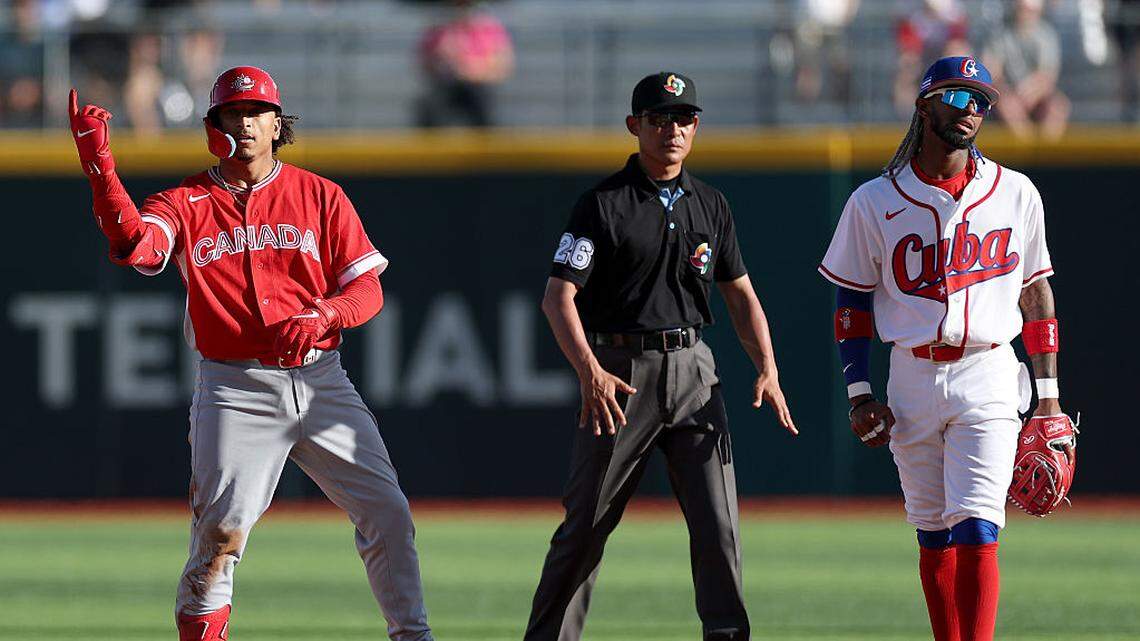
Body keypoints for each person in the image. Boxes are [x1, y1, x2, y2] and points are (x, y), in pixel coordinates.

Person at [68, 66, 433, 641]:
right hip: (235, 389)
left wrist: (326, 313)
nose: (245, 123)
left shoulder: (319, 194)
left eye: (256, 112)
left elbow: (367, 288)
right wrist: (102, 171)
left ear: (277, 124)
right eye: (231, 113)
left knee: (388, 513)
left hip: (322, 381)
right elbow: (139, 247)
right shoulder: (186, 200)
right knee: (219, 536)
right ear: (213, 126)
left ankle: (413, 636)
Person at [525, 71, 797, 641]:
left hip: (696, 370)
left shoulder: (711, 203)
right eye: (659, 118)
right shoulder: (604, 203)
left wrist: (767, 366)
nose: (673, 129)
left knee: (719, 525)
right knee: (588, 527)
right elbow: (558, 297)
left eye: (684, 118)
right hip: (623, 373)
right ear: (635, 126)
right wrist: (590, 372)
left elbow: (740, 293)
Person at [818, 56, 1071, 641]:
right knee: (932, 534)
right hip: (909, 374)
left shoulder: (1016, 192)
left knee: (978, 527)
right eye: (957, 97)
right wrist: (859, 394)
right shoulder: (873, 201)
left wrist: (1050, 399)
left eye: (980, 101)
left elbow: (1035, 293)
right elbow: (851, 304)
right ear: (923, 104)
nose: (970, 111)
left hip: (988, 370)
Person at [983, 0, 1070, 140]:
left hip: (1037, 94)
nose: (1025, 14)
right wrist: (1010, 93)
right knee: (1009, 106)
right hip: (1008, 93)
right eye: (1022, 9)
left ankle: (1048, 153)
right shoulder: (999, 35)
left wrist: (1026, 95)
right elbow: (993, 72)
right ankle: (1027, 153)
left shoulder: (1046, 35)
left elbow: (1047, 77)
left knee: (1057, 107)